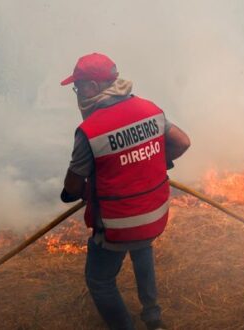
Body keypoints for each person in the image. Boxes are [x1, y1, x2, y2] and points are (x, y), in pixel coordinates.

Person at [59, 53, 190, 330]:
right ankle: (153, 316)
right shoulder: (149, 110)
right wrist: (156, 163)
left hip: (118, 226)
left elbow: (72, 187)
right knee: (142, 246)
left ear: (94, 87)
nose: (77, 93)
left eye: (79, 86)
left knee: (100, 281)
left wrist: (83, 191)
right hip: (154, 216)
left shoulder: (89, 131)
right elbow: (182, 142)